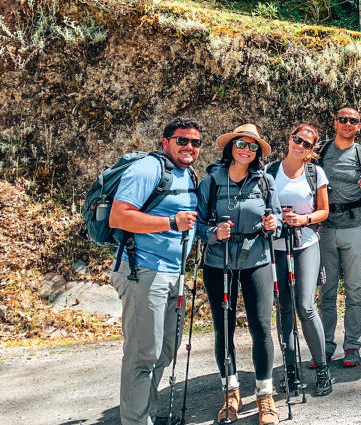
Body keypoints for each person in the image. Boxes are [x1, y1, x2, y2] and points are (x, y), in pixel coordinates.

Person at [109, 117, 202, 425]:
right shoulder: (147, 169)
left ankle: (146, 413)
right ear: (165, 143)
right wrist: (170, 223)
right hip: (143, 271)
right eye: (182, 140)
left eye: (195, 142)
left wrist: (212, 232)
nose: (189, 147)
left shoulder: (189, 174)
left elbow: (191, 223)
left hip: (174, 274)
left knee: (164, 352)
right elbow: (119, 217)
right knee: (143, 355)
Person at [196, 123, 282, 424]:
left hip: (257, 260)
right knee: (224, 328)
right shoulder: (211, 181)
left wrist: (274, 224)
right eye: (241, 144)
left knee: (261, 328)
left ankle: (265, 396)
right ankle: (230, 392)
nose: (246, 150)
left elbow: (277, 217)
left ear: (258, 152)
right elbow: (197, 224)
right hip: (218, 263)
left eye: (252, 146)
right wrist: (212, 233)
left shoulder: (265, 181)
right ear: (231, 147)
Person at [266, 124, 332, 395]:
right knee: (284, 307)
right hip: (277, 246)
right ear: (290, 138)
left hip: (305, 243)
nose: (300, 145)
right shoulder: (270, 171)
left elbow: (324, 211)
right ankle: (290, 370)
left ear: (312, 149)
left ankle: (322, 369)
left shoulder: (315, 173)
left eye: (306, 144)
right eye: (297, 139)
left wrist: (303, 219)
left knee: (305, 306)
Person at [317, 107, 361, 368]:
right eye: (343, 119)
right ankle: (325, 346)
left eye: (353, 120)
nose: (347, 123)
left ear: (359, 126)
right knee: (327, 291)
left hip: (354, 226)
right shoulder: (320, 151)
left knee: (354, 290)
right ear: (335, 123)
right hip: (325, 227)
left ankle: (352, 345)